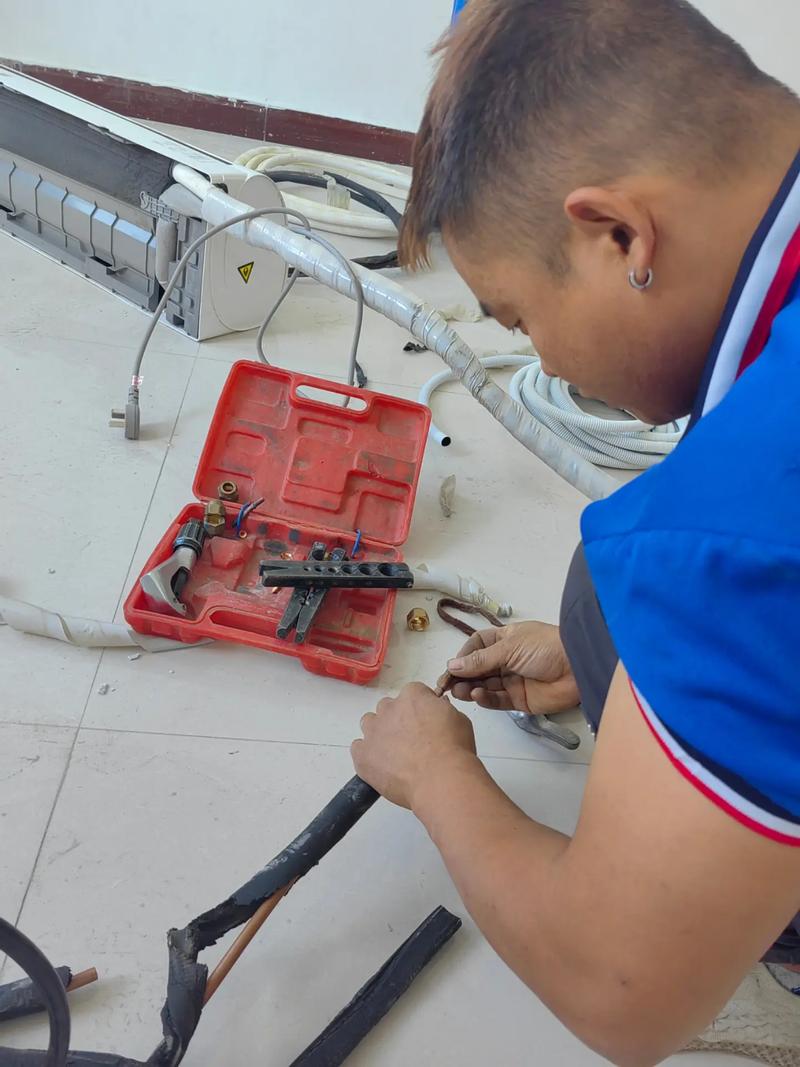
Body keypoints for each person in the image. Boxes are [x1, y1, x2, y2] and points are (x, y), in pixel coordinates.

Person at [350, 1, 800, 1064]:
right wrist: (614, 663)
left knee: (635, 580)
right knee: (603, 605)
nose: (541, 360)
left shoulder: (727, 536)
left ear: (618, 235)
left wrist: (436, 777)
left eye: (517, 317)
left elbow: (619, 995)